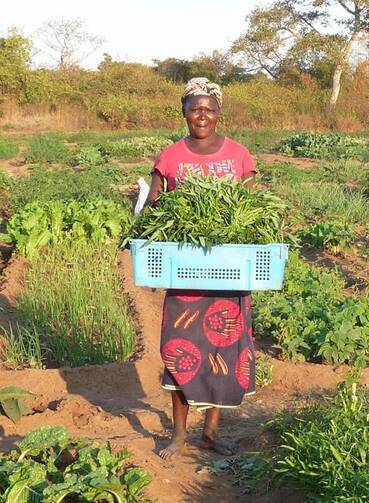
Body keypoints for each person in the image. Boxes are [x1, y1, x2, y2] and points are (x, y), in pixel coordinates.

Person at [145, 77, 257, 460]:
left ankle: (210, 433)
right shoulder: (171, 156)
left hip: (228, 274)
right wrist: (151, 213)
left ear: (219, 111)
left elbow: (254, 211)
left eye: (209, 108)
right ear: (184, 112)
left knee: (222, 355)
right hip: (186, 274)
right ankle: (178, 435)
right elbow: (153, 205)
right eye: (195, 108)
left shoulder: (240, 155)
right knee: (181, 354)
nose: (202, 115)